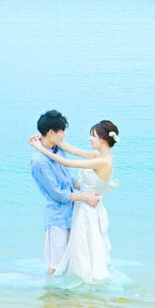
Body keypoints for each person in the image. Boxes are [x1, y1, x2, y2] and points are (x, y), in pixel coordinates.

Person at [29, 118, 118, 283]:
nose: (90, 138)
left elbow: (67, 163)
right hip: (82, 206)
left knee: (82, 249)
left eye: (93, 135)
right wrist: (45, 138)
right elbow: (73, 150)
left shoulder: (101, 161)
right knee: (79, 251)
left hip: (86, 208)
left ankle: (68, 285)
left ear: (103, 140)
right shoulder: (99, 155)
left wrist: (40, 149)